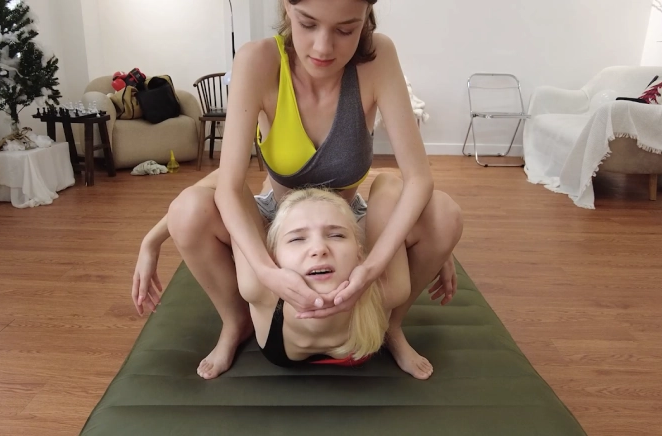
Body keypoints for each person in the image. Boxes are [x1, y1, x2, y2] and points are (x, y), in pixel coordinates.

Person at [132, 0, 464, 380]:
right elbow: (227, 185)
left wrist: (384, 263)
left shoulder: (378, 56)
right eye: (308, 24)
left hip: (346, 224)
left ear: (365, 20)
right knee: (189, 211)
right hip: (278, 218)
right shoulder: (258, 62)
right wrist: (262, 270)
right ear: (287, 8)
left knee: (443, 215)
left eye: (345, 30)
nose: (323, 47)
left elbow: (418, 179)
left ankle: (391, 325)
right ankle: (235, 322)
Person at [251, 188, 397, 368]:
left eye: (336, 235)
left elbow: (388, 186)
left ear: (359, 253)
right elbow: (234, 190)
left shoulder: (389, 289)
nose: (319, 249)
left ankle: (395, 331)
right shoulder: (257, 288)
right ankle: (234, 325)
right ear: (274, 258)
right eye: (297, 239)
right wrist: (262, 268)